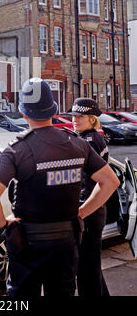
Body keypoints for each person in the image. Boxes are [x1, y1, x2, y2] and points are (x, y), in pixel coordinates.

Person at [0, 78, 119, 297]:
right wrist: (82, 213)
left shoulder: (17, 150)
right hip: (66, 240)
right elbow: (111, 182)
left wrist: (6, 227)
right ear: (53, 111)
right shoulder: (78, 144)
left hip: (28, 241)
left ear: (24, 114)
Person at [71, 97, 110, 296]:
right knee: (90, 266)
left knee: (86, 271)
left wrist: (81, 211)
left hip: (90, 209)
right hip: (92, 208)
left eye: (81, 116)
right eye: (74, 116)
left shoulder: (90, 141)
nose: (75, 120)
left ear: (92, 119)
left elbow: (89, 182)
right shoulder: (87, 137)